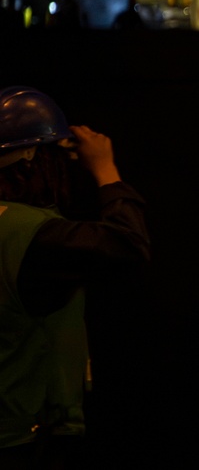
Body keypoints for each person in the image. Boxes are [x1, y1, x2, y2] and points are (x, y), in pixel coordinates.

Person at [0, 86, 151, 469]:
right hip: (21, 439)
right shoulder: (34, 236)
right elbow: (129, 246)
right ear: (33, 159)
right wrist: (105, 170)